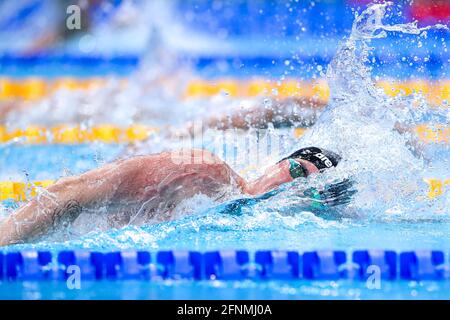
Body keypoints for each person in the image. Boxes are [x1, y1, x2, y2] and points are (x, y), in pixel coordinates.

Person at [0, 146, 352, 246]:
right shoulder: (205, 173)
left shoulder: (269, 238)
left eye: (314, 194)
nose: (294, 191)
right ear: (276, 164)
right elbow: (70, 194)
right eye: (297, 173)